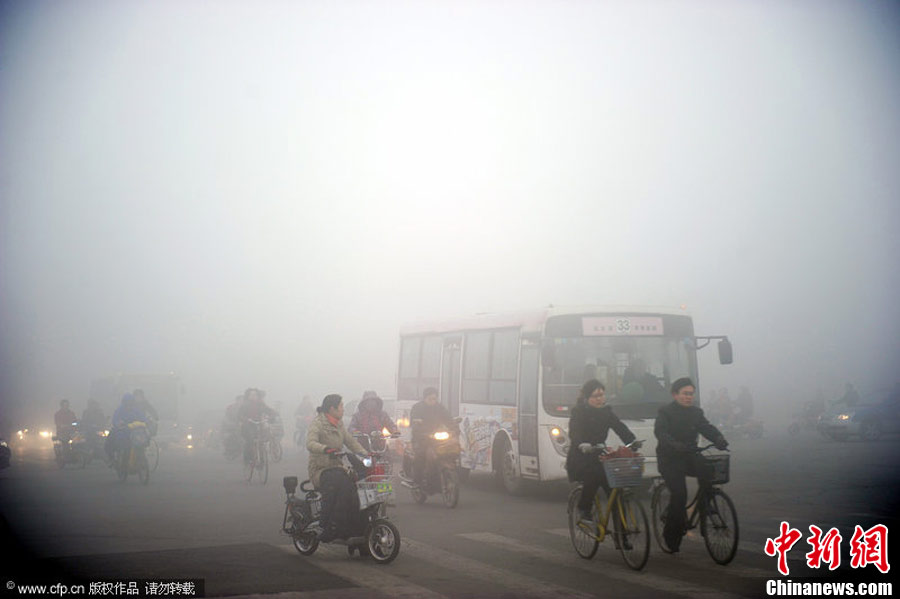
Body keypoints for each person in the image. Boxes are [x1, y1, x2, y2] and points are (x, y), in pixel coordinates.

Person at [654, 377, 728, 553]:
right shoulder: (665, 412)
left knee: (708, 473)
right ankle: (671, 536)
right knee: (680, 494)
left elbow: (706, 427)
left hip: (689, 455)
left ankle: (705, 506)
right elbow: (661, 433)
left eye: (691, 394)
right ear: (675, 394)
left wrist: (718, 438)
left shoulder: (696, 412)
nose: (689, 397)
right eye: (685, 393)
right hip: (669, 459)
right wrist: (674, 444)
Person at [565, 379, 637, 522]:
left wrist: (632, 441)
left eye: (602, 395)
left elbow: (620, 428)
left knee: (615, 487)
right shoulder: (579, 412)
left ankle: (621, 529)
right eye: (595, 396)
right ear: (587, 398)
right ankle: (584, 509)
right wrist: (581, 444)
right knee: (593, 476)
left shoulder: (606, 412)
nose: (599, 399)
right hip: (580, 457)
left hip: (599, 454)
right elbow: (574, 431)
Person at [306, 394, 367, 542]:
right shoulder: (318, 423)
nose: (343, 409)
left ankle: (352, 528)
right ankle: (330, 525)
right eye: (341, 406)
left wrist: (366, 454)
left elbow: (351, 442)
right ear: (332, 409)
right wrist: (326, 449)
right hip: (320, 470)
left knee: (355, 486)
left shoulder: (339, 424)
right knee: (343, 483)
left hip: (337, 468)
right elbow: (310, 443)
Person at [409, 387, 453, 488]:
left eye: (435, 399)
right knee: (420, 455)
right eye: (430, 399)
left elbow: (448, 419)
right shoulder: (417, 407)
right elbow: (414, 422)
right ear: (425, 398)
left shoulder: (440, 408)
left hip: (436, 437)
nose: (433, 401)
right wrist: (418, 426)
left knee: (450, 450)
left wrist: (454, 428)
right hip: (421, 437)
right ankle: (417, 482)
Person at [238, 388, 278, 464]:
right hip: (248, 426)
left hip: (259, 424)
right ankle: (248, 459)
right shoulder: (244, 405)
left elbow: (269, 410)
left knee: (262, 441)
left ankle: (261, 460)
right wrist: (246, 420)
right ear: (248, 396)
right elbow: (240, 415)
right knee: (250, 441)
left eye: (255, 395)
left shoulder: (260, 404)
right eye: (251, 395)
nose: (254, 396)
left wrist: (272, 415)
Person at [105, 393, 147, 465]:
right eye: (127, 402)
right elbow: (115, 420)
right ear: (124, 403)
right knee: (110, 442)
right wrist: (118, 423)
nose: (129, 405)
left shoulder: (136, 410)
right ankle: (113, 459)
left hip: (135, 433)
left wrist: (148, 421)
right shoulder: (119, 410)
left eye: (131, 402)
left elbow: (143, 418)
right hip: (123, 432)